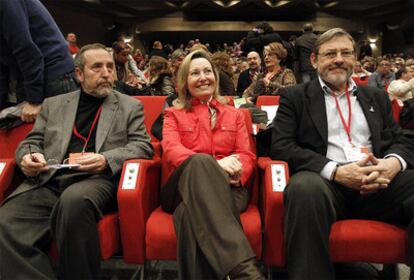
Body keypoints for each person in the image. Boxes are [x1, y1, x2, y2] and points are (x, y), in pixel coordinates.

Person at [270, 27, 414, 280]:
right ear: (314, 60)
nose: (338, 59)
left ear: (354, 60)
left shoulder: (376, 96)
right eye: (330, 53)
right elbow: (282, 145)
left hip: (378, 183)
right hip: (327, 185)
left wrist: (392, 164)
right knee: (303, 189)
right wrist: (335, 171)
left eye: (346, 53)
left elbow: (400, 139)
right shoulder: (295, 97)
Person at [0, 43, 154, 279]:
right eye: (97, 67)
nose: (106, 73)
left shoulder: (129, 106)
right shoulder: (54, 104)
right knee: (4, 221)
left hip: (96, 180)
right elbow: (32, 141)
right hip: (49, 179)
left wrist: (105, 159)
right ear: (79, 74)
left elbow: (142, 146)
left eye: (110, 67)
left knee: (74, 201)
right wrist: (28, 156)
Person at [161, 50, 265, 280]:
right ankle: (245, 271)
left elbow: (247, 155)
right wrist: (216, 167)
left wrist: (238, 174)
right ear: (184, 82)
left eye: (208, 71)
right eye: (195, 73)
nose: (203, 77)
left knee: (188, 217)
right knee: (200, 161)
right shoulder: (173, 114)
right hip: (180, 189)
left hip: (231, 187)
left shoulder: (234, 114)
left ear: (216, 77)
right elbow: (171, 151)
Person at [0, 0, 78, 123]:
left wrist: (34, 99)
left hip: (54, 75)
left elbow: (26, 50)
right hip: (28, 75)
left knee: (59, 137)